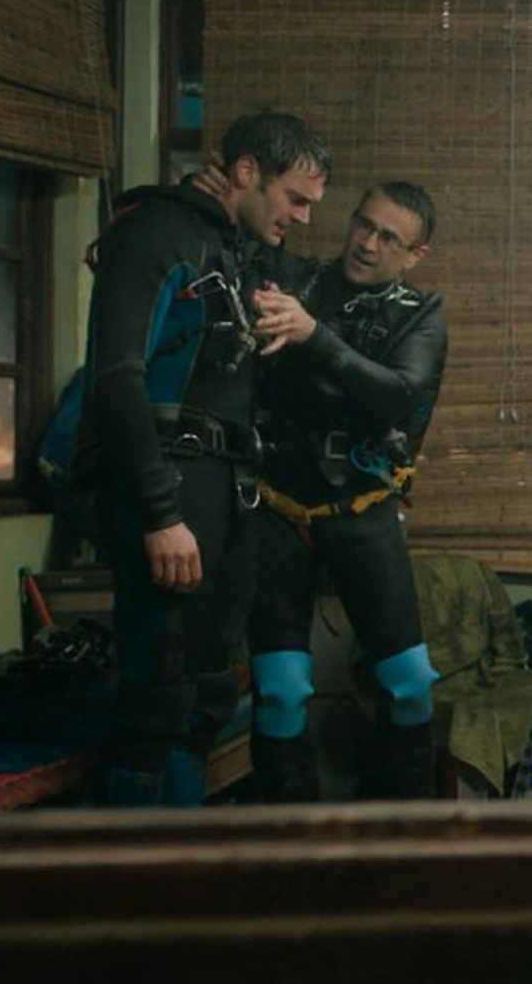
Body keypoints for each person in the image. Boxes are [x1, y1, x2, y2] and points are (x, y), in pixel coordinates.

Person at [74, 111, 329, 806]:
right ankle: (140, 869)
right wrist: (160, 513)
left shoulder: (235, 247)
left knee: (210, 692)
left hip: (228, 493)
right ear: (246, 172)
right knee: (156, 698)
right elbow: (116, 378)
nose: (303, 217)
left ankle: (188, 860)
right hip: (171, 487)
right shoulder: (154, 232)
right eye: (295, 199)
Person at [235, 181, 449, 802]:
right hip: (277, 511)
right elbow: (215, 256)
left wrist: (314, 337)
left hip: (362, 512)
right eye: (364, 224)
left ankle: (396, 842)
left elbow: (397, 393)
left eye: (389, 238)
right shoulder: (292, 279)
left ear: (415, 254)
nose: (368, 244)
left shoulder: (421, 315)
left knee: (410, 683)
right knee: (281, 692)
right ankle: (292, 847)